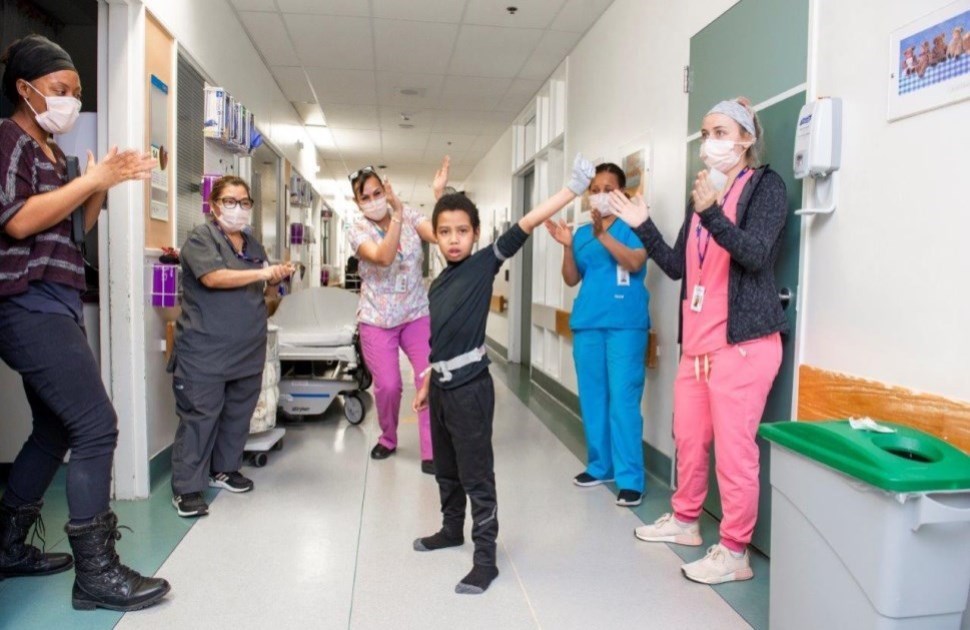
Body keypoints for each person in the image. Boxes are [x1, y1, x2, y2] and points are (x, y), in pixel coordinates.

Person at [0, 35, 170, 611]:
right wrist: (90, 183)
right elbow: (18, 223)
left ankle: (6, 545)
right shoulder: (10, 141)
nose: (70, 101)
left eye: (75, 92)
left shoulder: (57, 156)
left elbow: (75, 229)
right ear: (25, 89)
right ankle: (96, 575)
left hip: (61, 299)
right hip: (25, 300)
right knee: (96, 426)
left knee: (54, 429)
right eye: (60, 90)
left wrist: (103, 186)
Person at [610, 97, 788, 584]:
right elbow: (675, 266)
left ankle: (734, 552)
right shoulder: (702, 196)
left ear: (746, 139)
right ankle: (686, 522)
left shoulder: (765, 187)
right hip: (698, 347)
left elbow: (754, 254)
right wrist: (643, 223)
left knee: (735, 454)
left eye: (721, 131)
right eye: (706, 131)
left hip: (744, 345)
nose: (710, 141)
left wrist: (711, 213)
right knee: (688, 439)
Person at [411, 154, 595, 595]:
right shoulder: (441, 279)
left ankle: (485, 558)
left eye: (462, 232)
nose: (454, 240)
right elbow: (441, 338)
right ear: (436, 237)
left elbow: (527, 223)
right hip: (440, 386)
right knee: (446, 469)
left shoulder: (481, 265)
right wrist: (425, 382)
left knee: (476, 474)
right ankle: (450, 529)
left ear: (476, 235)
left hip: (471, 390)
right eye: (445, 232)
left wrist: (572, 189)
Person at [169, 175, 295, 517]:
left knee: (238, 414)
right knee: (200, 417)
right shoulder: (201, 239)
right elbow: (214, 278)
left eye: (244, 203)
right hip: (205, 350)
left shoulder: (253, 246)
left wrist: (276, 282)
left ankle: (223, 469)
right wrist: (262, 275)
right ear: (214, 205)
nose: (238, 209)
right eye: (230, 201)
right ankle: (187, 489)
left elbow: (267, 294)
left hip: (246, 349)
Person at [545, 163, 650, 507]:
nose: (600, 194)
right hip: (588, 323)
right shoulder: (581, 233)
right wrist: (566, 246)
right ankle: (600, 465)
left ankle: (630, 478)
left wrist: (603, 234)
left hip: (625, 326)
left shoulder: (634, 225)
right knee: (592, 398)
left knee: (623, 401)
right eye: (595, 188)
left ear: (622, 193)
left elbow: (635, 263)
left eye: (609, 188)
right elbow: (572, 279)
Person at [346, 158, 446, 474]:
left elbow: (440, 234)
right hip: (377, 319)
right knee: (388, 386)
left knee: (427, 377)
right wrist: (398, 217)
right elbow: (385, 256)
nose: (374, 200)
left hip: (415, 313)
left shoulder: (412, 215)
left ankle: (432, 451)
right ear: (357, 201)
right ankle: (388, 437)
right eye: (366, 196)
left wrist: (440, 196)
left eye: (378, 192)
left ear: (387, 191)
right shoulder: (357, 228)